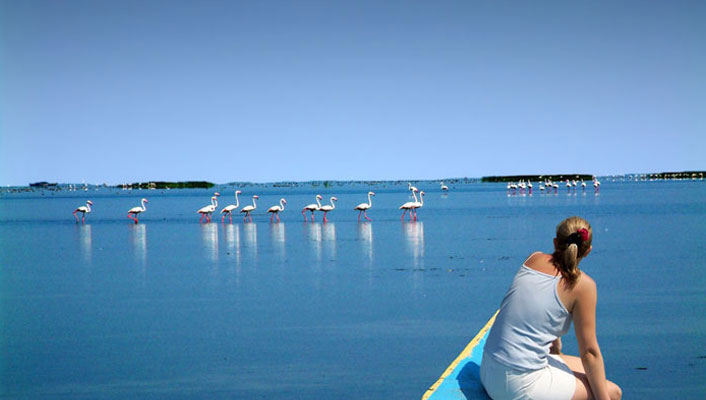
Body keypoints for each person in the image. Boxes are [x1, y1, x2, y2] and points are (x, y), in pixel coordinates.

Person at [480, 216, 622, 400]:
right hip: (518, 387)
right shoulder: (583, 286)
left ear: (555, 242)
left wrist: (556, 349)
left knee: (590, 372)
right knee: (612, 392)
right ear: (588, 251)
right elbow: (590, 353)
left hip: (489, 371)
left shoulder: (533, 259)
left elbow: (543, 306)